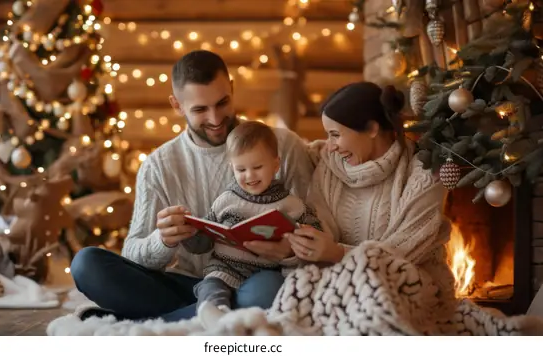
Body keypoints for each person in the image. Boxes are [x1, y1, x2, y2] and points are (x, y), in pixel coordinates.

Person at [69, 50, 316, 322]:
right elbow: (133, 254)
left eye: (222, 103)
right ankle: (207, 316)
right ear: (177, 105)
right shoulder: (158, 165)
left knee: (267, 292)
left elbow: (317, 228)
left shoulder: (284, 145)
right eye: (199, 109)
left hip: (254, 282)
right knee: (87, 264)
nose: (215, 119)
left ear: (232, 88)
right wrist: (162, 240)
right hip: (190, 285)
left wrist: (290, 251)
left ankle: (160, 321)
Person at [283, 82, 456, 302]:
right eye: (327, 135)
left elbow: (405, 251)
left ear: (372, 129)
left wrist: (337, 253)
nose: (331, 146)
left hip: (406, 284)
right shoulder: (329, 167)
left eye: (335, 134)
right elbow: (321, 229)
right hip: (339, 281)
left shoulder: (424, 170)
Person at [180, 121, 322, 326]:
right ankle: (216, 315)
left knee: (271, 291)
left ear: (275, 165)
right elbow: (204, 242)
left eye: (257, 167)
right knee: (210, 285)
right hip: (225, 267)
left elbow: (315, 233)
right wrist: (191, 232)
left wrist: (303, 234)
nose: (250, 175)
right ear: (232, 168)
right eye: (241, 169)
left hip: (267, 273)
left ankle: (234, 320)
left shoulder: (291, 204)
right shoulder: (225, 201)